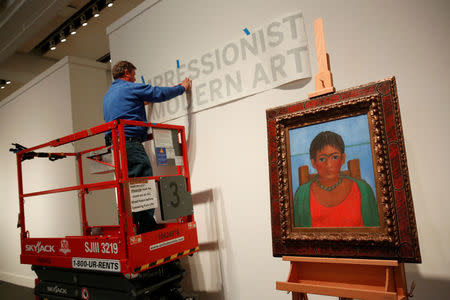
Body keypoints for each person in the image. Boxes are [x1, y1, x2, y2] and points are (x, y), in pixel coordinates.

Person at [103, 60, 192, 234]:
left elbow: (123, 110)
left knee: (128, 187)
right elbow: (157, 93)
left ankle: (133, 226)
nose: (135, 79)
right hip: (130, 143)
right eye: (134, 75)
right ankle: (146, 228)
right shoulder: (129, 87)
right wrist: (181, 87)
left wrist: (138, 103)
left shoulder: (109, 94)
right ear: (127, 73)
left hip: (115, 147)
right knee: (143, 183)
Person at [293, 131, 379, 227]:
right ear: (313, 163)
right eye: (322, 159)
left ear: (343, 158)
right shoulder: (302, 194)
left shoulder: (363, 190)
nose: (328, 165)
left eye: (334, 157)